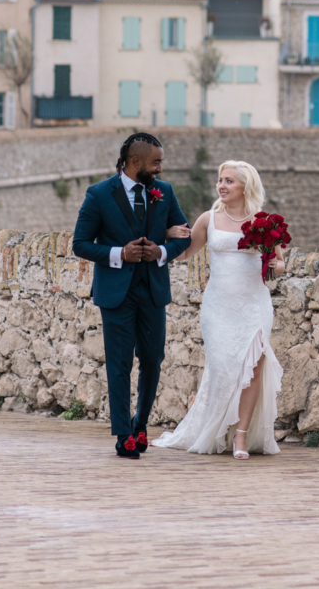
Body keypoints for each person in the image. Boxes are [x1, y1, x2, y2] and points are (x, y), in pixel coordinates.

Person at [154, 161, 285, 460]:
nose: (222, 186)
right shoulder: (208, 219)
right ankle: (216, 428)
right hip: (218, 306)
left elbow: (279, 262)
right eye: (220, 180)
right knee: (224, 367)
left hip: (254, 304)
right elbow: (185, 254)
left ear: (245, 187)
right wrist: (167, 235)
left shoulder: (265, 222)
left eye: (229, 181)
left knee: (252, 368)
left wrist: (276, 265)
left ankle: (240, 437)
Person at [72, 132, 191, 459]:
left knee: (153, 360)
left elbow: (183, 235)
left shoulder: (163, 192)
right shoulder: (98, 194)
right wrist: (118, 254)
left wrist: (162, 251)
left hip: (153, 290)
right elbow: (80, 243)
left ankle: (141, 424)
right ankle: (123, 433)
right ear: (134, 162)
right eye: (156, 162)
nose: (161, 168)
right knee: (120, 363)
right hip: (116, 293)